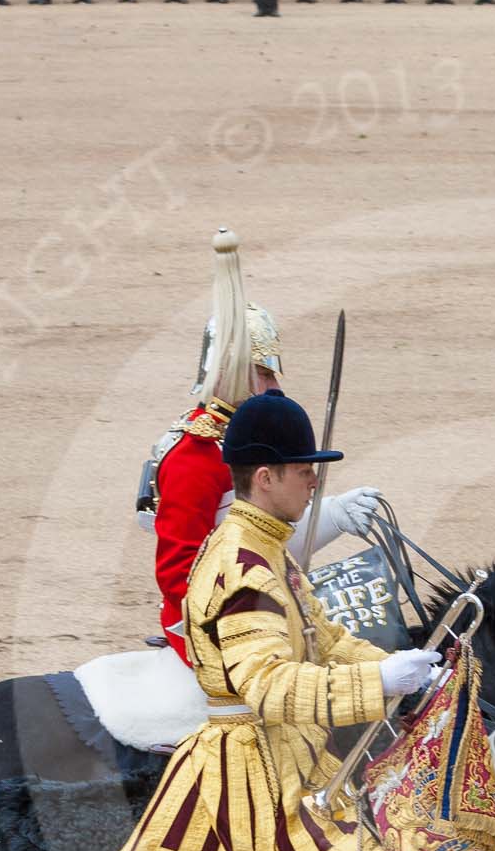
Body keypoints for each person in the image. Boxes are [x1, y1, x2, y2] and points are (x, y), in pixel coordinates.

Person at [106, 390, 445, 851]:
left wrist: (404, 665)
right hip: (247, 767)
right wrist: (379, 686)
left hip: (285, 753)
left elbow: (323, 642)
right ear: (266, 478)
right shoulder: (245, 567)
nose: (313, 487)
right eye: (303, 473)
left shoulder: (267, 549)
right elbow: (273, 686)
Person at [141, 230, 380, 668]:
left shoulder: (247, 438)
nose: (275, 386)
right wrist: (254, 614)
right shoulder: (197, 457)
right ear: (231, 376)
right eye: (262, 375)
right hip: (214, 628)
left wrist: (335, 514)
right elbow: (179, 577)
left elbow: (272, 541)